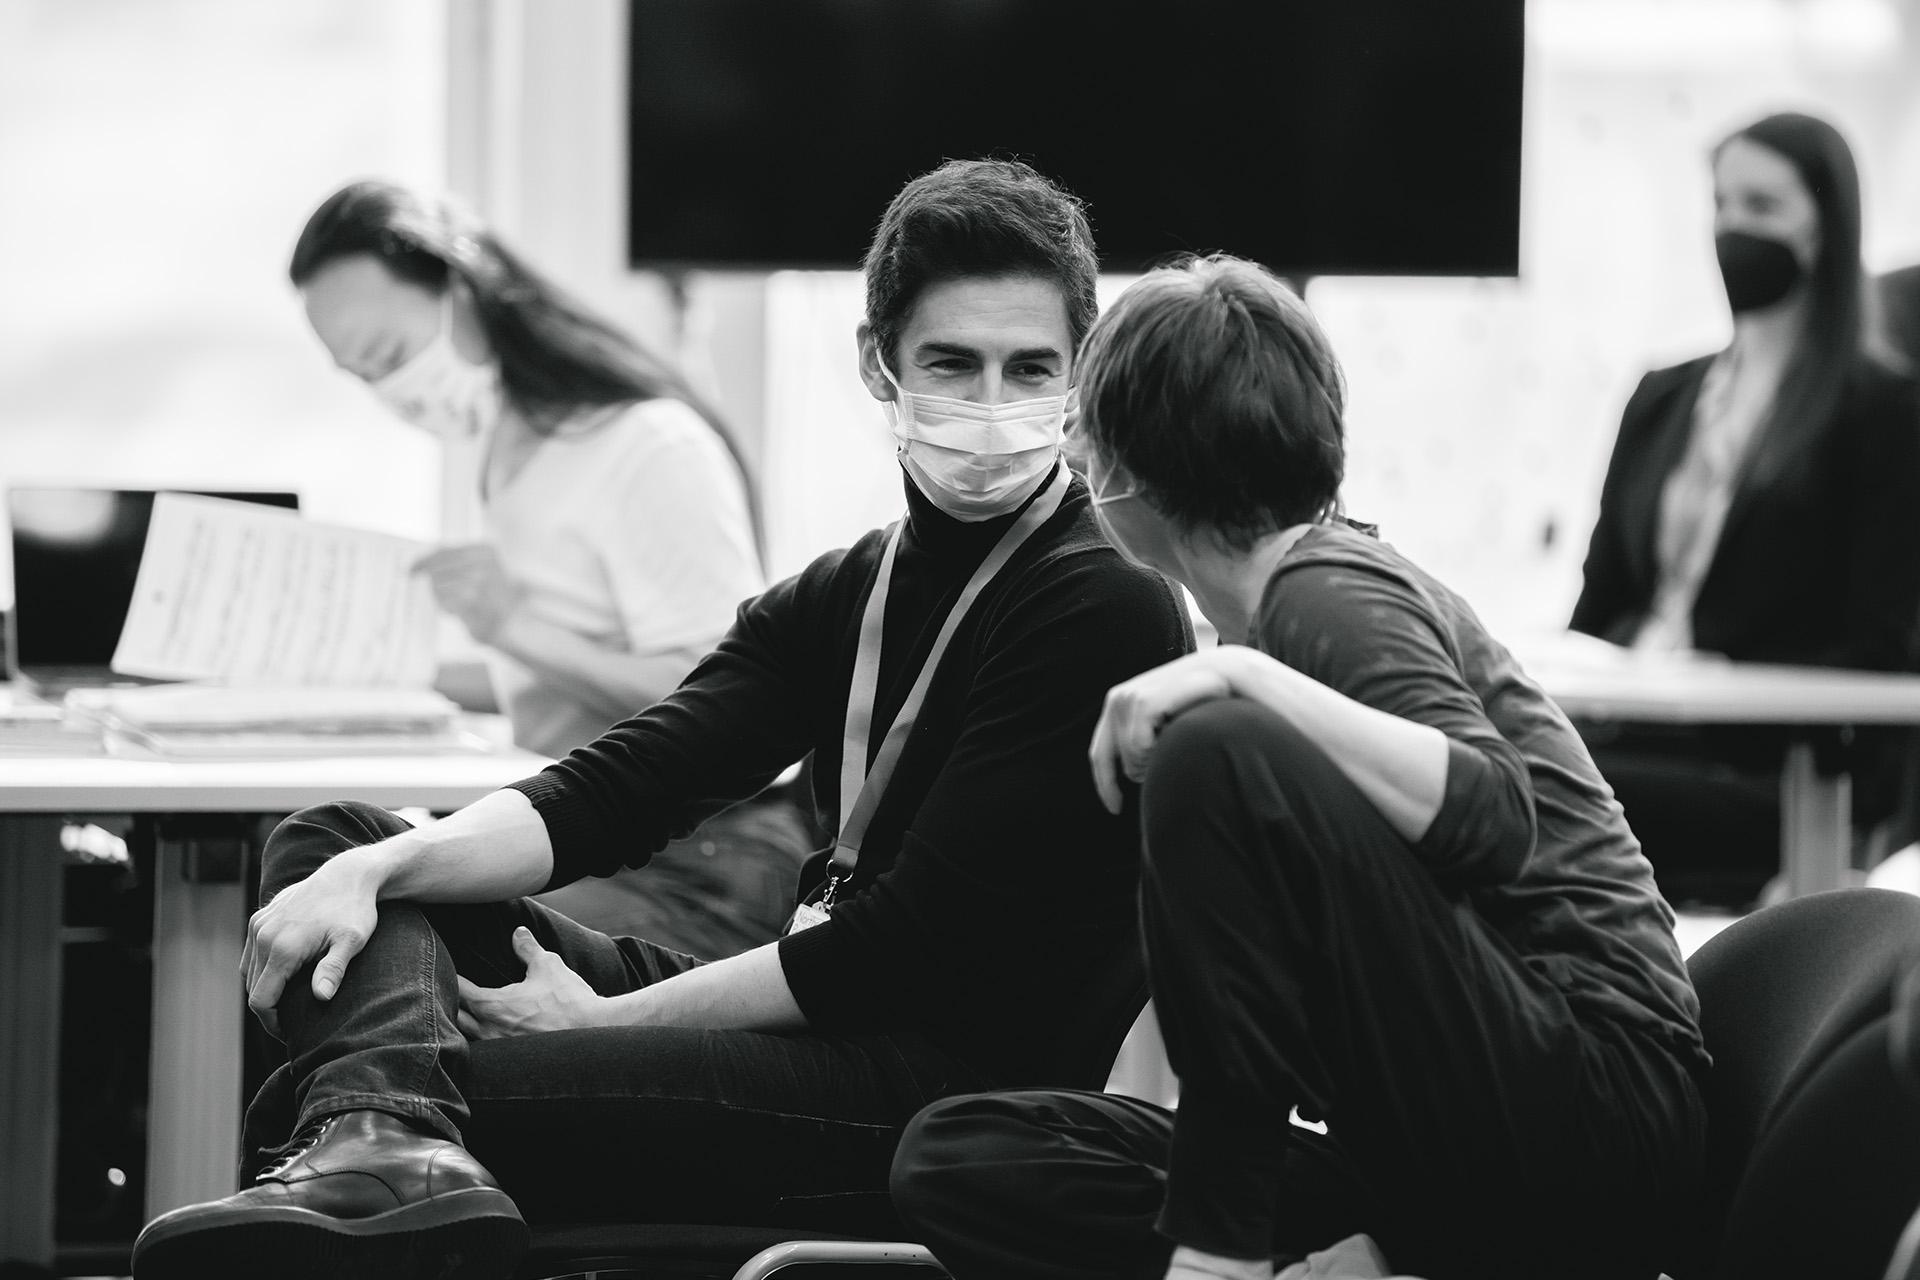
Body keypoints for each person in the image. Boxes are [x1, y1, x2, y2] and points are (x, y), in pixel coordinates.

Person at [129, 158, 1193, 1280]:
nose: (989, 408)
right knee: (337, 848)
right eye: (951, 364)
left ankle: (386, 1141)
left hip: (929, 1097)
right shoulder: (856, 584)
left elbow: (895, 952)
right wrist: (394, 861)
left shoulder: (1100, 599)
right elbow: (620, 787)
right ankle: (386, 1142)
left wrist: (602, 1026)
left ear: (1077, 373)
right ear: (881, 366)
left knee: (431, 1075)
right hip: (814, 1019)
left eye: (1029, 368)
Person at [888, 255, 1708, 1280]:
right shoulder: (1288, 608)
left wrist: (1242, 681)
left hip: (1598, 1113)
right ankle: (1384, 1254)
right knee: (961, 1155)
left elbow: (1496, 812)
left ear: (1123, 471)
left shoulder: (1325, 587)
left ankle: (1223, 1260)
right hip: (1443, 1136)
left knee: (1212, 747)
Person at [290, 180, 808, 956]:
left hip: (705, 851)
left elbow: (730, 710)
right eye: (362, 375)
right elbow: (553, 687)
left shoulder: (647, 446)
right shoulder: (509, 453)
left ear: (464, 289)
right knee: (314, 863)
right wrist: (373, 681)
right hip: (588, 824)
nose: (391, 393)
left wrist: (512, 626)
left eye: (391, 355)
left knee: (388, 937)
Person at [1569, 112, 1920, 908]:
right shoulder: (1665, 396)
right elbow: (1596, 609)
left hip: (1772, 765)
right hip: (1636, 729)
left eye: (1761, 207)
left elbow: (1879, 643)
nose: (1732, 228)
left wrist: (1717, 675)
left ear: (1825, 227)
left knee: (1521, 793)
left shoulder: (1882, 413)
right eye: (1722, 204)